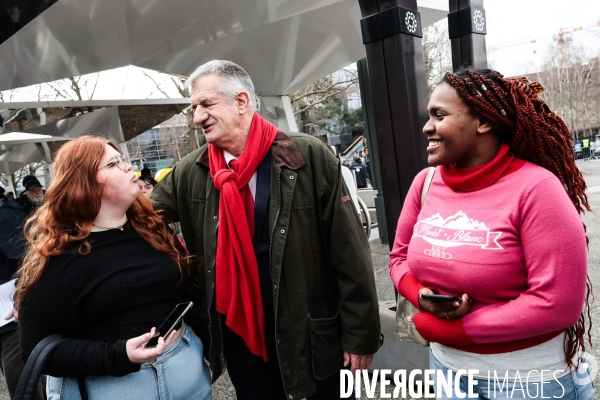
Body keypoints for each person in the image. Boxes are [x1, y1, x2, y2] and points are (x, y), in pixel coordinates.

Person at [151, 60, 381, 400]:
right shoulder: (190, 172)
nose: (198, 116)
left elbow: (350, 254)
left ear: (241, 102)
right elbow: (142, 219)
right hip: (241, 339)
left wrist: (361, 335)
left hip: (311, 335)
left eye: (206, 104)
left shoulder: (307, 156)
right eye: (194, 107)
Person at [389, 68, 594, 399]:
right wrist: (423, 297)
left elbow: (557, 304)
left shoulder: (538, 189)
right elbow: (399, 257)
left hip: (528, 382)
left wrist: (450, 330)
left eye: (439, 115)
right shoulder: (424, 184)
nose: (427, 127)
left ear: (483, 122)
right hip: (446, 370)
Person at [16, 136, 212, 400]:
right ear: (85, 183)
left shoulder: (153, 229)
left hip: (187, 371)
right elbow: (35, 350)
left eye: (123, 160)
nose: (128, 167)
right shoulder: (58, 257)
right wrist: (118, 355)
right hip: (113, 387)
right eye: (113, 164)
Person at [0, 186, 44, 400]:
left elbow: (29, 259)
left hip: (10, 316)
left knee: (24, 385)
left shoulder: (6, 215)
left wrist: (22, 294)